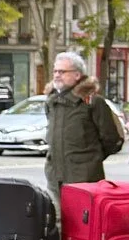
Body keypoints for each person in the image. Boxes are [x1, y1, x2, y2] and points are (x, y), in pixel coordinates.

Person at [44, 51, 124, 197]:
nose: (56, 75)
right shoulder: (52, 101)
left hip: (84, 180)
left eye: (62, 71)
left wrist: (89, 160)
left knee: (83, 219)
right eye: (55, 71)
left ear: (77, 75)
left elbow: (112, 139)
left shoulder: (92, 102)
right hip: (55, 179)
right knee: (58, 218)